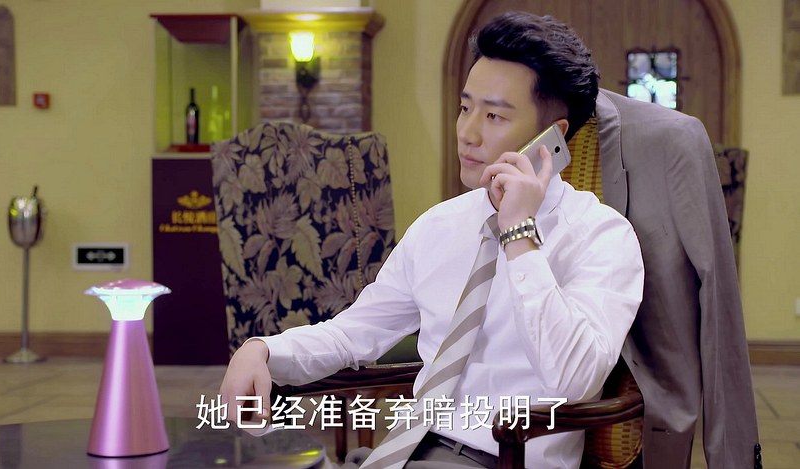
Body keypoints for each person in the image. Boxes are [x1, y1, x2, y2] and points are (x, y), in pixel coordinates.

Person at [221, 12, 645, 469]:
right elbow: (353, 333)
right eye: (465, 108)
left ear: (552, 139)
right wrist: (264, 349)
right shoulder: (441, 225)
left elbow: (574, 379)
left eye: (494, 115)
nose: (467, 132)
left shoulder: (601, 235)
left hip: (505, 457)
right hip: (407, 450)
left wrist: (519, 233)